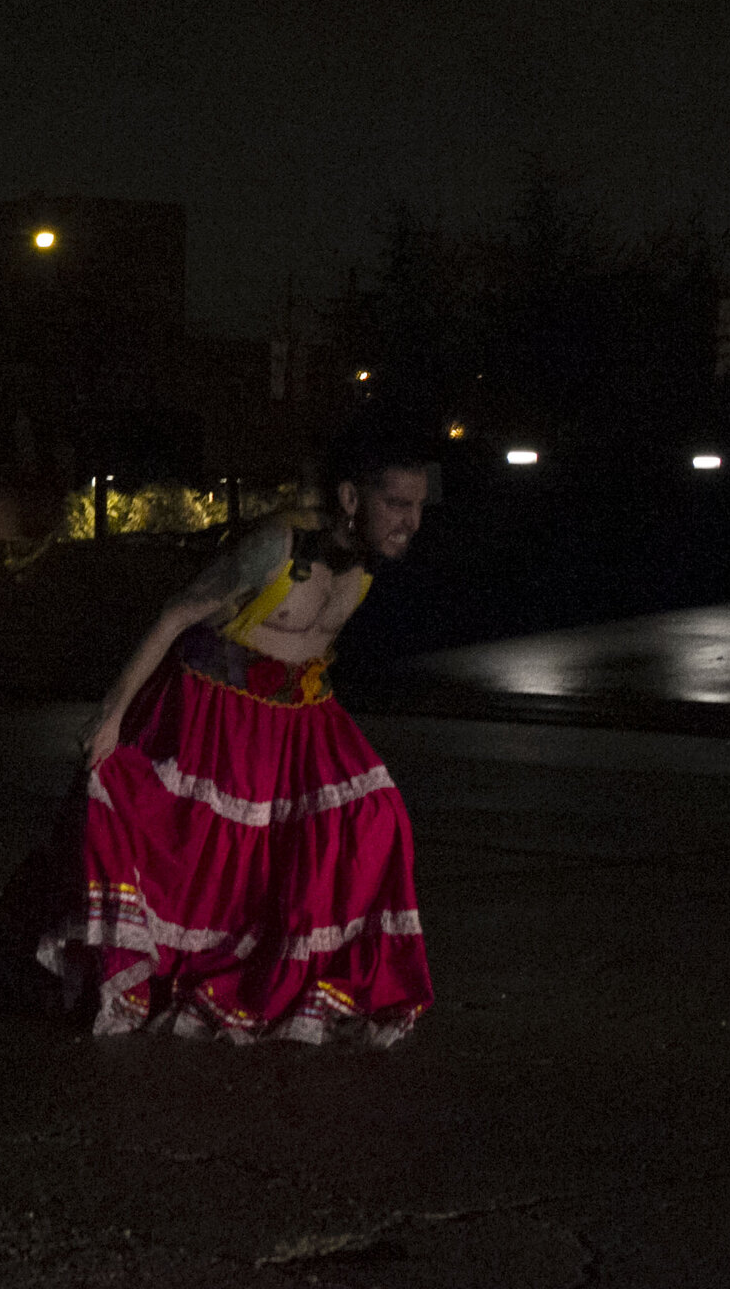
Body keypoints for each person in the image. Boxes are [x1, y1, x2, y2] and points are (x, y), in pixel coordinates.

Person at [30, 430, 436, 1044]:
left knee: (375, 817)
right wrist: (112, 715)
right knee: (202, 857)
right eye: (398, 505)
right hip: (214, 713)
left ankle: (319, 976)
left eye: (419, 506)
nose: (411, 521)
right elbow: (177, 614)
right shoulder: (277, 543)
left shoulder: (365, 564)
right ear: (352, 497)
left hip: (302, 718)